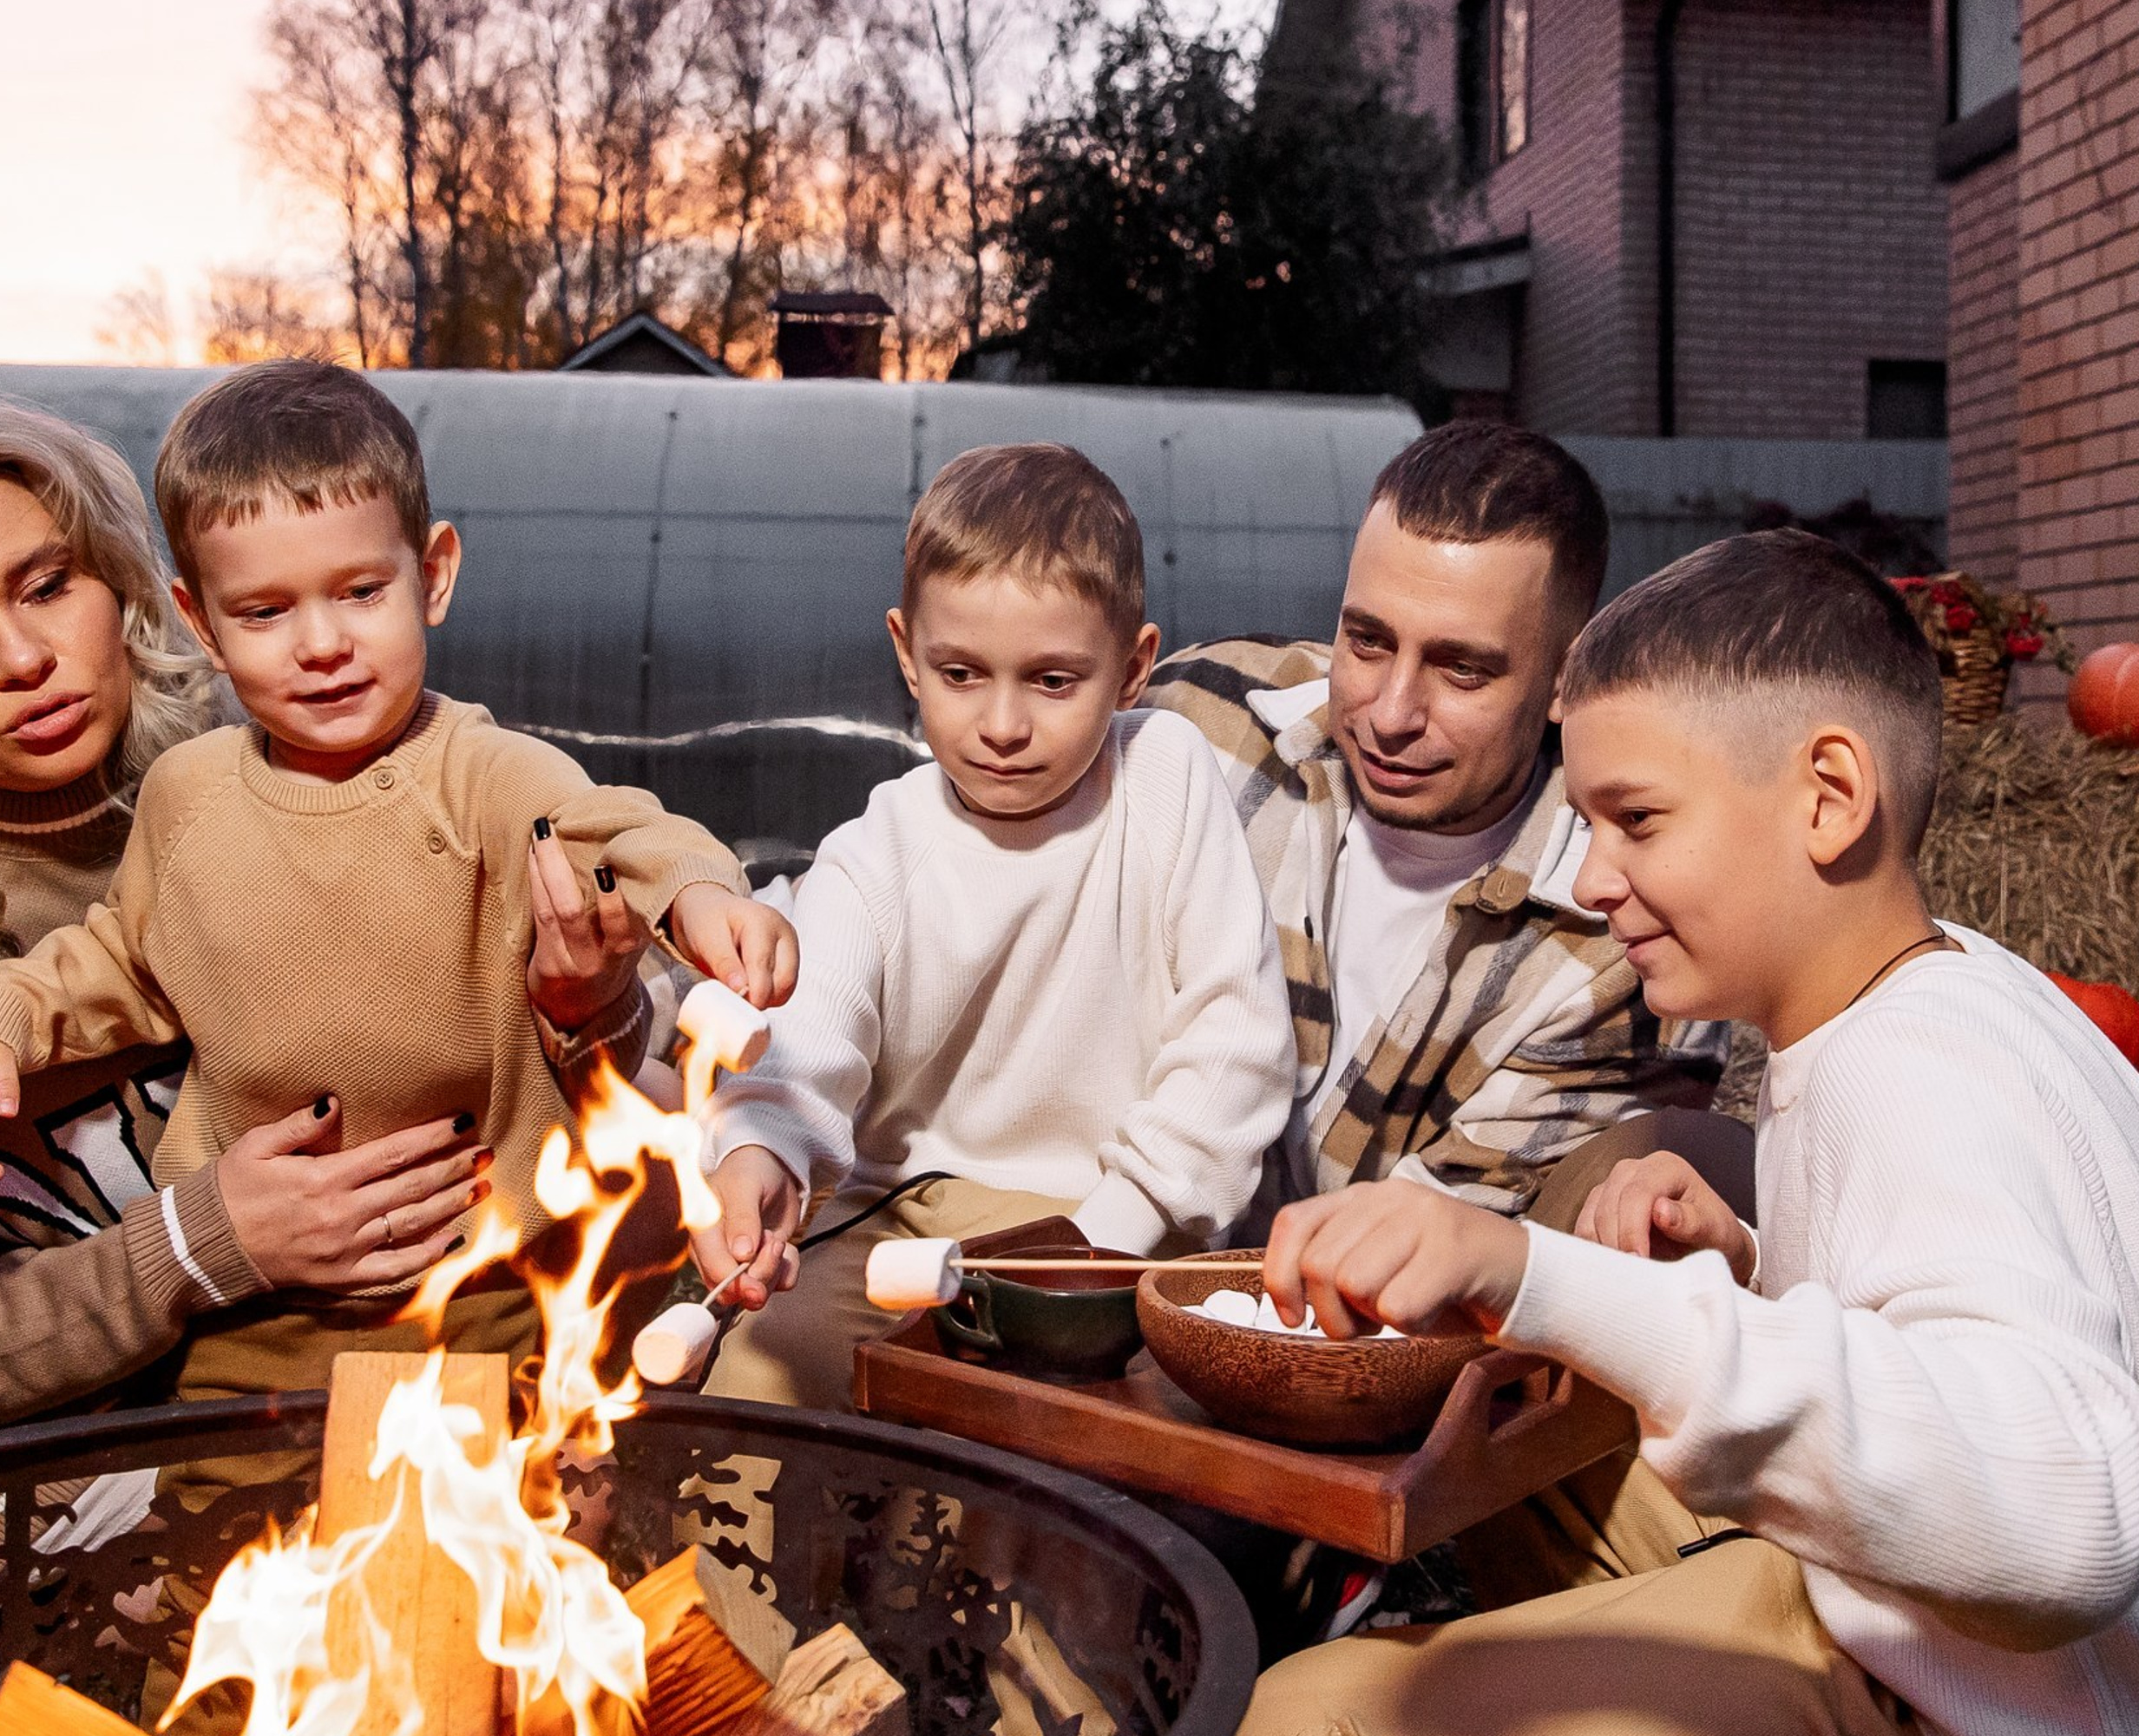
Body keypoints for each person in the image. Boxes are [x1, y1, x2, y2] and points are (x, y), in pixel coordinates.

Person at [1236, 530, 2139, 1736]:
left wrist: (1532, 1265)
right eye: (1587, 822)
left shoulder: (1912, 1070)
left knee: (1306, 1730)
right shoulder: (1956, 988)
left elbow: (2072, 1505)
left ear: (1827, 796)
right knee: (1577, 1417)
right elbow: (1984, 1314)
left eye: (1636, 819)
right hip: (2002, 1667)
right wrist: (1749, 1271)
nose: (1592, 880)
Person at [0, 363, 796, 1407]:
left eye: (361, 593)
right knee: (223, 1527)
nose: (323, 644)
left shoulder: (479, 768)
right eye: (267, 610)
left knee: (510, 1517)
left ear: (435, 575)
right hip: (243, 1333)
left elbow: (612, 827)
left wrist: (692, 897)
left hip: (474, 1280)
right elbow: (119, 960)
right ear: (205, 621)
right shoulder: (193, 800)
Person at [696, 442, 1297, 1410]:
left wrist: (1104, 1238)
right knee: (760, 1370)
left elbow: (1235, 1045)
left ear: (1133, 666)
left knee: (1104, 1443)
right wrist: (760, 1149)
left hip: (1116, 1227)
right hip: (891, 1222)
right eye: (961, 672)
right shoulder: (877, 848)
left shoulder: (1166, 778)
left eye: (1054, 681)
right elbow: (809, 1040)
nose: (1002, 724)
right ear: (906, 654)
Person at [1142, 420, 1735, 1236]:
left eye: (1463, 669)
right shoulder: (1193, 719)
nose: (1390, 715)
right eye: (1369, 641)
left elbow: (1426, 1266)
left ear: (1569, 678)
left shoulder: (1626, 956)